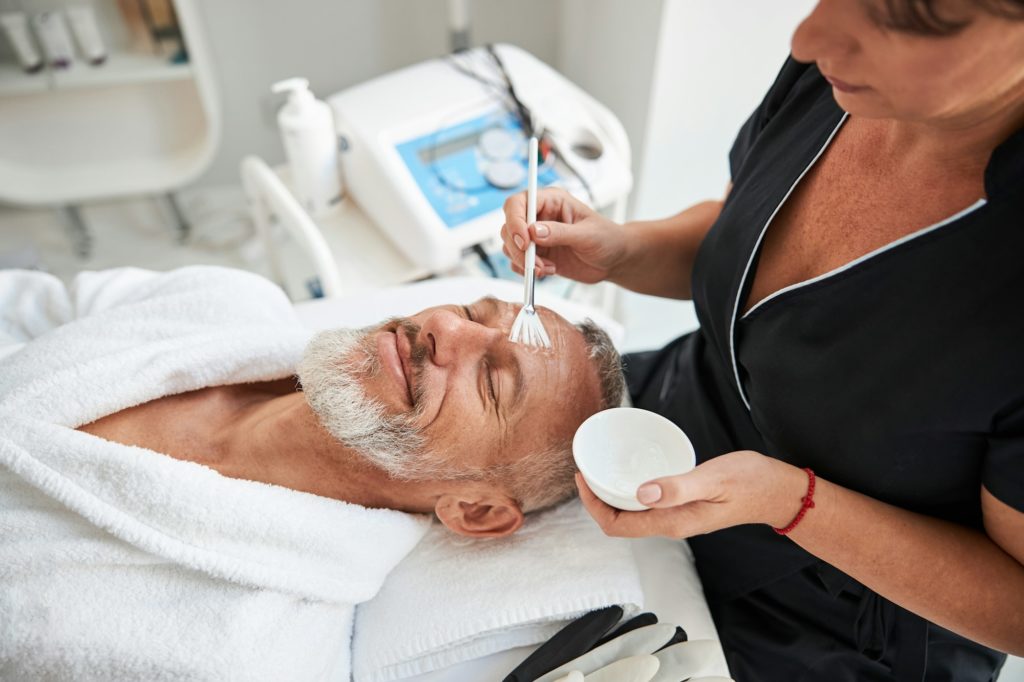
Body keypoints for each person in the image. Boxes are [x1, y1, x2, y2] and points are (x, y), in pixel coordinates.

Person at [500, 1, 1024, 679]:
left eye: (903, 18)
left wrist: (791, 502)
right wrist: (623, 249)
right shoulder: (836, 75)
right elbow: (741, 232)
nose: (809, 38)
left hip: (830, 621)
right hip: (663, 417)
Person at [0, 265, 624, 678]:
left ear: (476, 510)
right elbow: (29, 305)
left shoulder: (254, 657)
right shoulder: (226, 299)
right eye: (471, 310)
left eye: (491, 379)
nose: (443, 327)